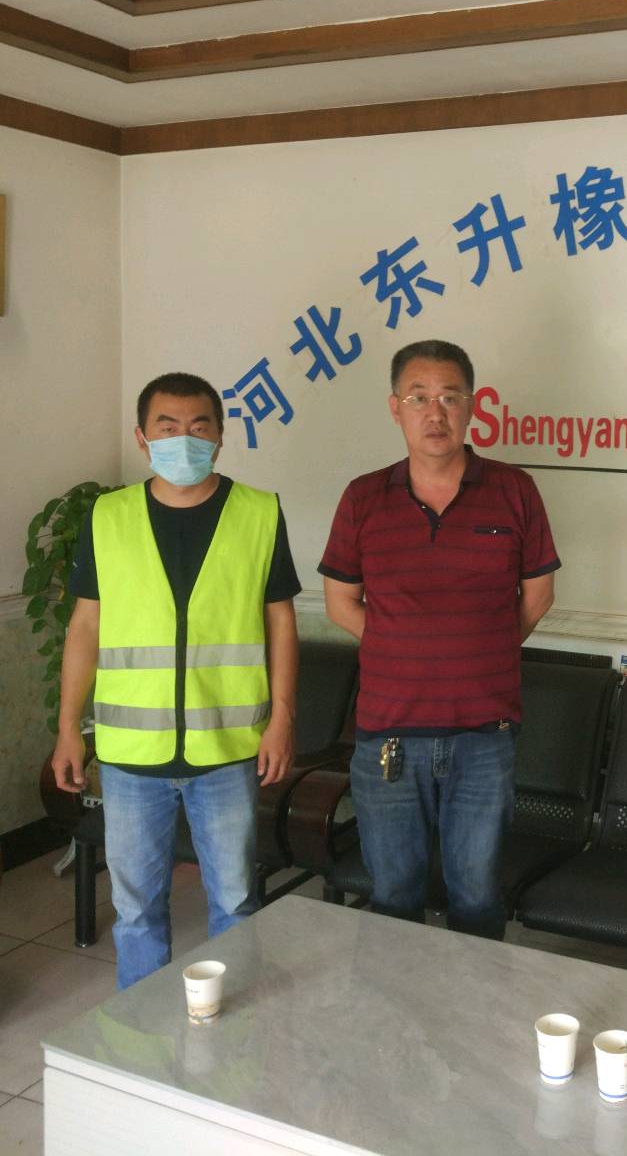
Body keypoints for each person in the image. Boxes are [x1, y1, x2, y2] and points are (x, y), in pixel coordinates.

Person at [50, 372, 300, 989]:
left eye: (198, 426)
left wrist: (283, 718)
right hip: (132, 756)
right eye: (167, 427)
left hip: (227, 749)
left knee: (236, 903)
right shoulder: (109, 516)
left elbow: (280, 622)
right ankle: (142, 1032)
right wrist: (67, 728)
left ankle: (235, 1031)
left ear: (219, 435)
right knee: (135, 911)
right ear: (142, 437)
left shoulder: (258, 512)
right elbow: (85, 627)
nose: (183, 439)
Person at [320, 339, 559, 939]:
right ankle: (397, 1004)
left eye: (450, 398)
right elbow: (340, 603)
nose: (435, 413)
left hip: (484, 736)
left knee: (477, 897)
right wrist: (402, 642)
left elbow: (538, 596)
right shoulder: (363, 497)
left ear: (472, 406)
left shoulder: (514, 490)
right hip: (389, 736)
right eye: (419, 398)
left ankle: (471, 1004)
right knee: (394, 894)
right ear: (395, 407)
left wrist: (483, 647)